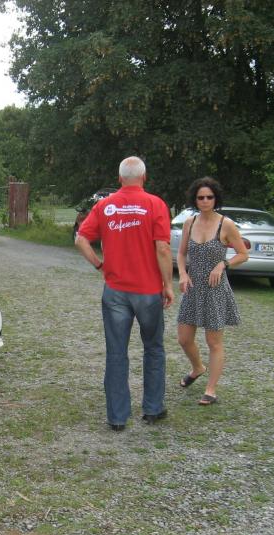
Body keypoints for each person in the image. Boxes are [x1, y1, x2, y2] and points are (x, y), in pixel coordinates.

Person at [75, 156, 174, 430]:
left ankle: (117, 418)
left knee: (116, 352)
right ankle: (153, 409)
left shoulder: (105, 206)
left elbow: (81, 239)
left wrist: (100, 265)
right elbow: (163, 248)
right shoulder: (155, 204)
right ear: (144, 177)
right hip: (148, 291)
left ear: (120, 178)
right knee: (153, 348)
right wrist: (167, 284)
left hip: (116, 290)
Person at [176, 177, 248, 406]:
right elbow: (181, 253)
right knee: (184, 339)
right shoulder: (190, 222)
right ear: (195, 199)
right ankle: (198, 368)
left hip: (215, 289)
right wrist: (183, 274)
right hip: (193, 287)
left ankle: (211, 390)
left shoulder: (226, 224)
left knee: (214, 342)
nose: (205, 201)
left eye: (209, 197)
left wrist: (223, 264)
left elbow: (243, 254)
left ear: (216, 198)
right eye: (201, 197)